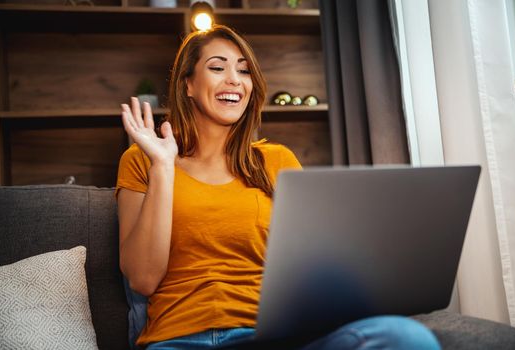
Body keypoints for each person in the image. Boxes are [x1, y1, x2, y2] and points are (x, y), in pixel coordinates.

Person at [116, 24, 441, 350]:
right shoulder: (143, 160)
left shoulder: (276, 160)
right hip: (181, 340)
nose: (234, 79)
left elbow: (315, 263)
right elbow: (143, 279)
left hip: (271, 335)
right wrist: (162, 166)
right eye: (217, 67)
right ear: (188, 84)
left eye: (244, 71)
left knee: (407, 337)